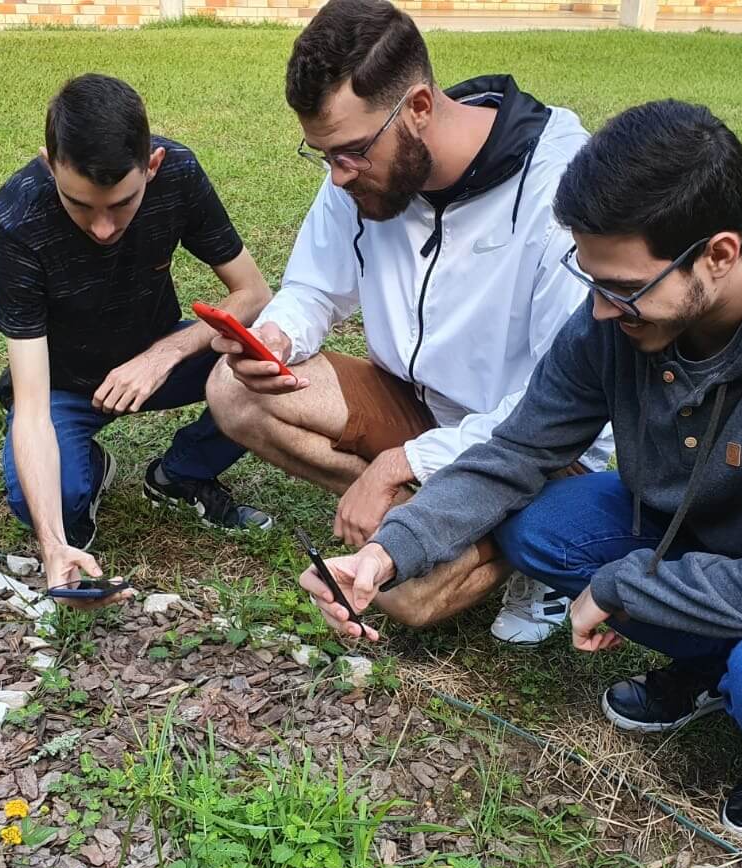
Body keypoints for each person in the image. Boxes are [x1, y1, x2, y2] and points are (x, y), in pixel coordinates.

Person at [300, 100, 742, 844]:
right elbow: (518, 450)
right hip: (707, 526)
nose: (601, 313)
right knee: (540, 528)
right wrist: (390, 551)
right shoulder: (620, 310)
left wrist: (622, 585)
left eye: (622, 289)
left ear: (717, 254)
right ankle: (715, 659)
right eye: (591, 279)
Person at [205, 0, 613, 644]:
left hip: (541, 449)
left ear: (419, 107)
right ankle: (428, 527)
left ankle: (517, 542)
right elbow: (315, 285)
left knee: (408, 599)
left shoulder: (562, 189)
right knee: (233, 390)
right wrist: (279, 334)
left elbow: (556, 412)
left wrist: (401, 461)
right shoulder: (367, 163)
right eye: (325, 155)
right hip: (420, 404)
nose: (339, 176)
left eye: (350, 153)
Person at [0, 74, 274, 592]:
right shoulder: (18, 218)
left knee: (273, 362)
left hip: (159, 359)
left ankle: (182, 472)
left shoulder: (180, 173)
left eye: (122, 203)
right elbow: (31, 406)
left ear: (153, 166)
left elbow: (253, 294)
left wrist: (162, 355)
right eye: (80, 204)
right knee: (48, 508)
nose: (102, 227)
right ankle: (88, 470)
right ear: (49, 166)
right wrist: (53, 546)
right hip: (63, 384)